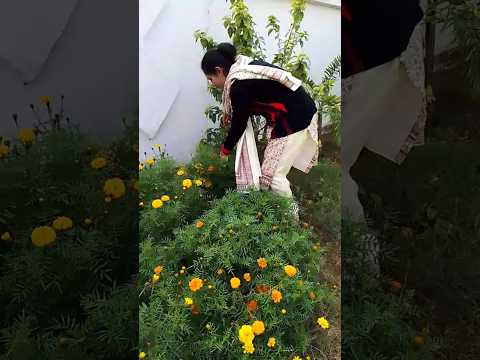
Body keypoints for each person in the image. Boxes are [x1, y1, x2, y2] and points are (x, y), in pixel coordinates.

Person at [200, 43, 320, 207]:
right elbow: (245, 107)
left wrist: (225, 149)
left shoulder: (238, 85)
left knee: (273, 177)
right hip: (292, 113)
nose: (211, 83)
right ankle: (280, 209)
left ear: (219, 70)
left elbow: (239, 122)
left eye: (210, 78)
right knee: (271, 170)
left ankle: (290, 221)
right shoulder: (243, 66)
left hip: (295, 118)